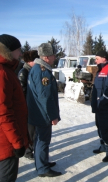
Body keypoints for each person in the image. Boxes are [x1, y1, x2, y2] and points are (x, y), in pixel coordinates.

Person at [26, 43, 62, 177]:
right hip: (42, 114)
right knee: (43, 141)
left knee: (39, 140)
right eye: (53, 55)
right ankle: (42, 168)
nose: (55, 57)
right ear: (46, 57)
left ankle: (42, 162)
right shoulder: (43, 72)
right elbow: (45, 97)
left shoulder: (36, 68)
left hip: (37, 112)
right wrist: (52, 116)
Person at [0, 34, 29, 181]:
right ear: (9, 51)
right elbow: (3, 113)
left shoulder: (7, 70)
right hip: (6, 144)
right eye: (19, 50)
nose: (21, 53)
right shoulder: (3, 73)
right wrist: (17, 143)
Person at [91, 50, 108, 162]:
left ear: (104, 58)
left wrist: (102, 102)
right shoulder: (101, 69)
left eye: (97, 58)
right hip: (100, 106)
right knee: (100, 127)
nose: (95, 60)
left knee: (106, 129)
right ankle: (103, 146)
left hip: (106, 106)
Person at [18, 50, 38, 160]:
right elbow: (22, 92)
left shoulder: (31, 71)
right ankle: (28, 150)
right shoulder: (24, 72)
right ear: (30, 61)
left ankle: (32, 148)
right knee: (29, 131)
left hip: (32, 106)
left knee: (33, 130)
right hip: (27, 107)